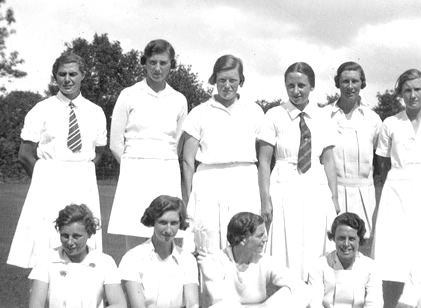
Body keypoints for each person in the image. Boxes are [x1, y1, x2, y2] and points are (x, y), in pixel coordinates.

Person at [7, 52, 107, 269]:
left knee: (83, 241)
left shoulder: (95, 112)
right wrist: (46, 180)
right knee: (47, 243)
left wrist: (80, 172)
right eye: (62, 74)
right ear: (55, 77)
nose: (67, 79)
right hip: (48, 181)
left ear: (83, 76)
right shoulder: (41, 109)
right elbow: (25, 154)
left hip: (83, 181)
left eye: (73, 74)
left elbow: (99, 150)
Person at [371, 69, 421, 307]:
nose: (413, 95)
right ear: (400, 94)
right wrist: (399, 181)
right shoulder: (390, 123)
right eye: (407, 90)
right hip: (396, 191)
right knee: (394, 253)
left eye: (417, 89)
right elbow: (382, 162)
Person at [258, 62, 340, 280]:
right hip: (284, 184)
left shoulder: (324, 116)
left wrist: (334, 197)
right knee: (287, 243)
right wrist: (265, 199)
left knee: (314, 242)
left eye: (301, 85)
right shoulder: (274, 115)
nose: (296, 91)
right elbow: (264, 161)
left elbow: (329, 161)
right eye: (290, 86)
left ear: (312, 86)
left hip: (315, 184)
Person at [108, 39, 188, 251]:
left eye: (163, 62)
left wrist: (164, 162)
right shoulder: (128, 94)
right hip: (135, 170)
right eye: (152, 62)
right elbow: (116, 142)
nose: (157, 68)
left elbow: (177, 143)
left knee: (168, 231)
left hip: (166, 169)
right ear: (144, 63)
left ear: (171, 64)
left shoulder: (179, 99)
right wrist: (131, 166)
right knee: (135, 233)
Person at [182, 55, 263, 252]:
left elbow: (264, 158)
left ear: (241, 81)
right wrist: (187, 199)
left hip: (245, 179)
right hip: (208, 180)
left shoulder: (254, 111)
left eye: (233, 80)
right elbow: (187, 160)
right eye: (222, 80)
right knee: (208, 238)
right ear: (214, 80)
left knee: (245, 236)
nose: (227, 85)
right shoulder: (199, 112)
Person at [199, 212, 310, 307]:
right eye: (260, 235)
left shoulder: (265, 261)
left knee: (293, 290)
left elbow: (302, 288)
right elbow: (220, 302)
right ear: (242, 240)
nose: (265, 239)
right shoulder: (213, 262)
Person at [29, 204, 126, 308]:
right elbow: (36, 304)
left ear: (89, 233)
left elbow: (118, 304)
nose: (70, 242)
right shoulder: (46, 259)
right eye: (65, 236)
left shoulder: (105, 262)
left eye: (76, 236)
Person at [326, 62, 382, 239]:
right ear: (338, 83)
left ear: (362, 84)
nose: (350, 86)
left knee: (362, 242)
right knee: (331, 242)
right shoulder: (324, 116)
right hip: (332, 192)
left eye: (355, 81)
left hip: (364, 192)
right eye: (345, 81)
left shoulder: (373, 119)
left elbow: (381, 158)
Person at [119, 195, 199, 308]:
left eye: (174, 223)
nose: (168, 230)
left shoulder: (188, 260)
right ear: (153, 222)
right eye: (163, 222)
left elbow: (193, 304)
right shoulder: (133, 258)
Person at [308, 212, 383, 308]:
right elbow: (314, 303)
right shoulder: (320, 265)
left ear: (359, 240)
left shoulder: (371, 267)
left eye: (351, 239)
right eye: (341, 238)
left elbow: (374, 304)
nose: (346, 244)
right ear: (334, 238)